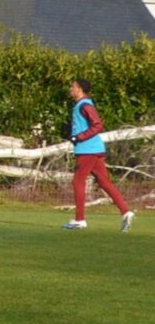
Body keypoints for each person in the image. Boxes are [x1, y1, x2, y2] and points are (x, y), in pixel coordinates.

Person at [63, 78, 133, 232]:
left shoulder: (85, 105)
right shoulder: (81, 105)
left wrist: (79, 137)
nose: (70, 89)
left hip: (88, 150)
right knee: (104, 182)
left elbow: (98, 125)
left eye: (73, 86)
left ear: (80, 89)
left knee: (78, 181)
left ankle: (80, 220)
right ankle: (126, 212)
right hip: (93, 149)